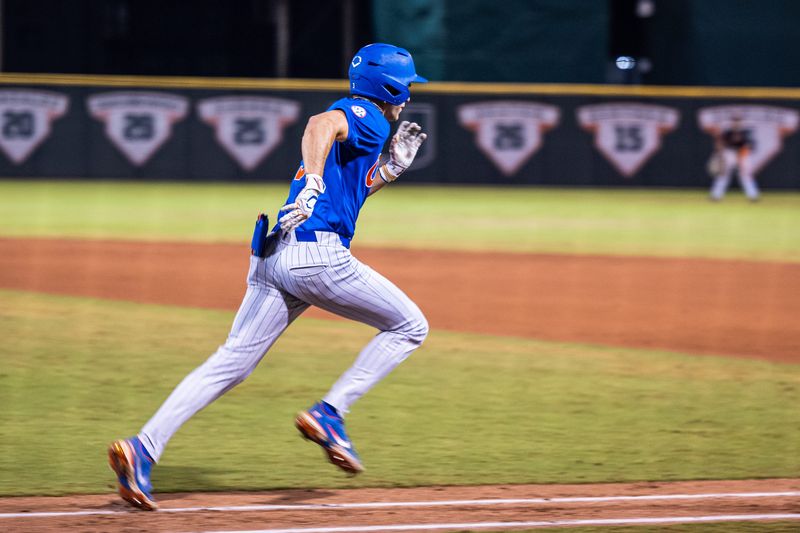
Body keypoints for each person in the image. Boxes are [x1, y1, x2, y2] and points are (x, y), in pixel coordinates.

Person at [108, 43, 429, 511]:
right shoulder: (367, 114)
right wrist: (315, 180)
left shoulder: (369, 127)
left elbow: (352, 191)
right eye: (407, 86)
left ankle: (141, 449)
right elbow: (321, 125)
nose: (409, 96)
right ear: (391, 87)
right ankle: (331, 413)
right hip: (317, 259)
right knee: (410, 326)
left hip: (274, 256)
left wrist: (391, 169)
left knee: (231, 363)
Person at [708, 117, 760, 201]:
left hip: (742, 154)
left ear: (741, 122)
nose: (736, 123)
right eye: (735, 121)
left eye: (738, 121)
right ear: (732, 122)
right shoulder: (728, 132)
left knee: (746, 175)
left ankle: (753, 196)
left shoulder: (746, 132)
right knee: (723, 175)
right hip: (729, 154)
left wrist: (743, 152)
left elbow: (751, 145)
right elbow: (720, 144)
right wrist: (720, 154)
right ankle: (716, 195)